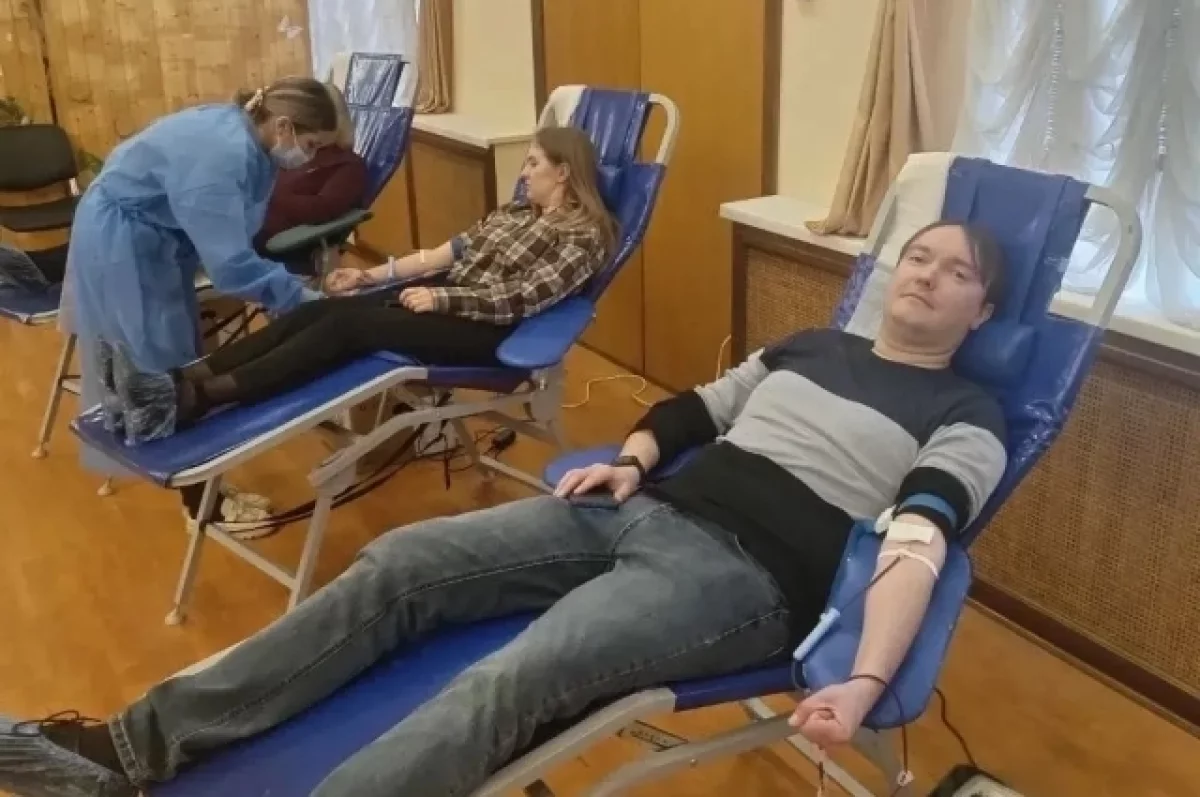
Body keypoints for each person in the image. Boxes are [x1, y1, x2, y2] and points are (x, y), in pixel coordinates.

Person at [0, 220, 1008, 797]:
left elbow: (915, 545)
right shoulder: (811, 347)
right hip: (642, 506)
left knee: (513, 677)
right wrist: (633, 459)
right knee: (400, 562)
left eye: (958, 271)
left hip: (739, 577)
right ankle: (128, 749)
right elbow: (695, 410)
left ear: (985, 312)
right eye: (919, 256)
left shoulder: (968, 414)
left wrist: (864, 678)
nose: (928, 274)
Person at [167, 125, 616, 425]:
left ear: (563, 172)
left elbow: (521, 298)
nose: (524, 173)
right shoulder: (517, 212)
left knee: (348, 328)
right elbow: (442, 255)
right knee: (325, 309)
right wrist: (371, 277)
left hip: (491, 331)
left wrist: (441, 299)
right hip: (452, 299)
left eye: (533, 163)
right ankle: (195, 374)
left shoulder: (583, 235)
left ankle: (210, 396)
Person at [64, 76, 339, 450]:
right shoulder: (221, 155)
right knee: (151, 360)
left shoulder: (246, 137)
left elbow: (233, 229)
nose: (310, 156)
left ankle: (181, 457)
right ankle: (171, 466)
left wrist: (284, 293)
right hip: (122, 240)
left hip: (157, 236)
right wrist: (298, 297)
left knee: (176, 356)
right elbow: (230, 266)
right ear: (284, 126)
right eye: (311, 145)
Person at [252, 83, 368, 267]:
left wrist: (271, 195)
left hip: (277, 245)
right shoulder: (288, 148)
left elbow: (322, 208)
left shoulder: (348, 165)